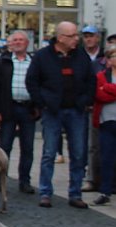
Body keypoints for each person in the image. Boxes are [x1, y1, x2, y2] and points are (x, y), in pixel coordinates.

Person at [26, 21, 96, 209]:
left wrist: (85, 101)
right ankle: (45, 192)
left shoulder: (81, 56)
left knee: (78, 153)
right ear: (60, 37)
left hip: (76, 111)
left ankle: (75, 193)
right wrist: (42, 102)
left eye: (76, 35)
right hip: (53, 111)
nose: (76, 39)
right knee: (49, 153)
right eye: (72, 36)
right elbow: (32, 81)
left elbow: (91, 81)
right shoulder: (42, 56)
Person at [0, 31, 38, 194]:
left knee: (28, 147)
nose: (17, 42)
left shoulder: (35, 62)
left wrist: (39, 106)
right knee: (4, 147)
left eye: (21, 40)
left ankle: (25, 181)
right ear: (10, 43)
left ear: (27, 43)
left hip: (28, 109)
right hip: (7, 108)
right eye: (14, 40)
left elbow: (41, 84)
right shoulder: (3, 61)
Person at [81, 24, 106, 193]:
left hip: (101, 105)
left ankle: (98, 178)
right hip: (81, 105)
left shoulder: (105, 58)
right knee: (83, 144)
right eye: (86, 36)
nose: (89, 39)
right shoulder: (79, 56)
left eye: (92, 36)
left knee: (97, 145)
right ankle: (87, 177)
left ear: (98, 38)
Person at [93, 45, 116, 206]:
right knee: (106, 158)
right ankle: (105, 191)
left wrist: (108, 89)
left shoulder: (104, 81)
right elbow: (100, 95)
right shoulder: (101, 75)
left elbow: (105, 91)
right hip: (106, 121)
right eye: (112, 56)